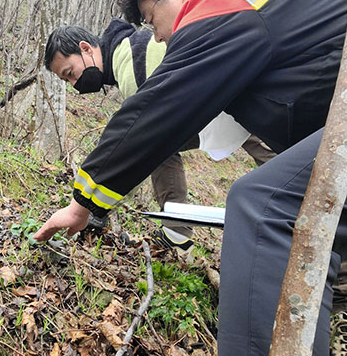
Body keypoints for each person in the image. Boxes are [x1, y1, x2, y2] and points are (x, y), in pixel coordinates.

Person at [33, 0, 347, 356]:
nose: (160, 36)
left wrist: (84, 202)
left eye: (153, 20)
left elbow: (157, 115)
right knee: (293, 197)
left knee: (263, 209)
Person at [44, 20, 274, 249]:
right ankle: (177, 235)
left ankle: (301, 206)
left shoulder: (130, 61)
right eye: (67, 81)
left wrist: (94, 209)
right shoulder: (126, 51)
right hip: (209, 104)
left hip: (231, 98)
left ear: (85, 48)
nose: (75, 84)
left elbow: (134, 149)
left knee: (271, 150)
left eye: (71, 73)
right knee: (162, 148)